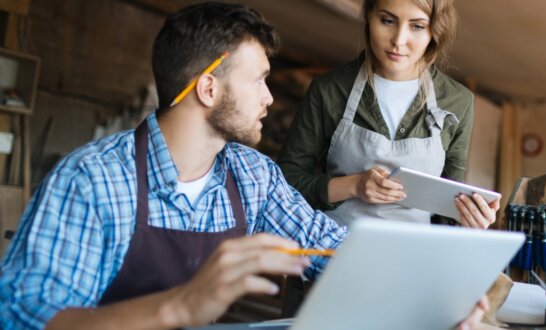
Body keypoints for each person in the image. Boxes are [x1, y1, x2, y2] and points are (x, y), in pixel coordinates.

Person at [0, 2, 487, 329]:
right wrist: (177, 306)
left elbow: (332, 248)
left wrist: (442, 293)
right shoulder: (93, 180)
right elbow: (25, 316)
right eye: (258, 81)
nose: (270, 98)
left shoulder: (251, 175)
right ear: (209, 89)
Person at [278, 0, 500, 229]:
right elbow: (286, 183)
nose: (399, 40)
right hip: (335, 249)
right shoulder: (329, 90)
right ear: (368, 16)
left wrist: (470, 218)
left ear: (435, 29)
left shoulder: (458, 101)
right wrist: (354, 185)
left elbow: (448, 206)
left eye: (417, 26)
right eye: (387, 21)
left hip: (413, 256)